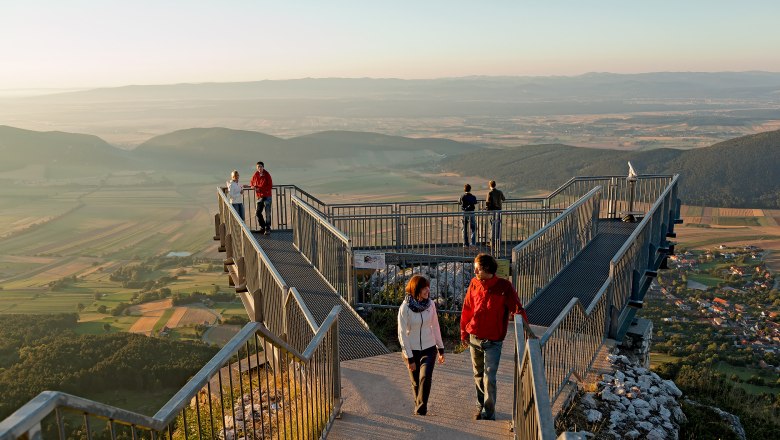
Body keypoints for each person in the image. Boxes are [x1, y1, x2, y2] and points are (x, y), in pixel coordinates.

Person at [460, 253, 529, 421]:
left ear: (486, 269)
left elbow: (517, 308)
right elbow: (467, 308)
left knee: (489, 378)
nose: (474, 270)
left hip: (493, 341)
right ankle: (480, 404)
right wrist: (464, 331)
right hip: (474, 336)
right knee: (478, 374)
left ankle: (488, 413)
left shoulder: (504, 287)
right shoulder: (474, 283)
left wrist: (526, 332)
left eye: (476, 267)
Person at [398, 275, 446, 416]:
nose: (427, 290)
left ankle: (421, 411)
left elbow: (435, 326)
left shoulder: (430, 305)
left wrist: (440, 348)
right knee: (416, 383)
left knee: (425, 377)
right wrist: (410, 358)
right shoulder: (405, 308)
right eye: (424, 288)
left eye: (428, 287)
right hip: (411, 350)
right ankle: (419, 407)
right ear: (416, 290)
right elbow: (402, 334)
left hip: (429, 348)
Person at [250, 161, 273, 235]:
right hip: (260, 196)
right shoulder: (256, 174)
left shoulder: (267, 174)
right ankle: (263, 227)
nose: (259, 168)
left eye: (260, 166)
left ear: (263, 167)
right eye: (258, 167)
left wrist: (259, 189)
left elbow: (270, 186)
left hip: (267, 196)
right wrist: (253, 186)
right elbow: (252, 182)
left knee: (267, 213)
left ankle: (267, 229)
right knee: (258, 212)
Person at [486, 180, 506, 249]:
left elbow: (488, 202)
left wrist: (487, 209)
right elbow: (504, 199)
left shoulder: (490, 193)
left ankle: (492, 243)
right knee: (498, 227)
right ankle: (498, 243)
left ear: (490, 185)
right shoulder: (499, 192)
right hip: (499, 211)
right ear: (495, 185)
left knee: (492, 227)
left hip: (492, 211)